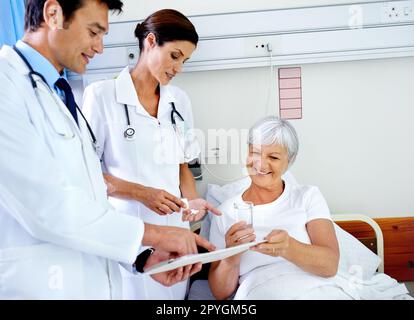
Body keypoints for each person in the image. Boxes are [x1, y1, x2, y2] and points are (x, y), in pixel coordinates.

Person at [0, 0, 214, 300]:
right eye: (93, 32)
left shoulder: (55, 96)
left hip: (112, 259)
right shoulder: (8, 86)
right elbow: (49, 208)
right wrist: (152, 232)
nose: (100, 48)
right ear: (53, 14)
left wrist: (139, 258)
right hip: (39, 283)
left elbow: (88, 195)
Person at [82, 9, 221, 300]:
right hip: (128, 235)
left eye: (185, 60)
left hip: (176, 234)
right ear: (150, 41)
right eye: (174, 55)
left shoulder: (179, 101)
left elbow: (183, 163)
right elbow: (84, 173)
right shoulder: (102, 96)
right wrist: (141, 193)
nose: (179, 67)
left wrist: (192, 198)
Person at [208, 116, 350, 300]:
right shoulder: (224, 213)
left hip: (318, 291)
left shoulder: (307, 197)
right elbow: (220, 293)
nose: (260, 164)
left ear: (289, 161)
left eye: (273, 157)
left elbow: (330, 265)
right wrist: (231, 257)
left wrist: (288, 248)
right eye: (255, 153)